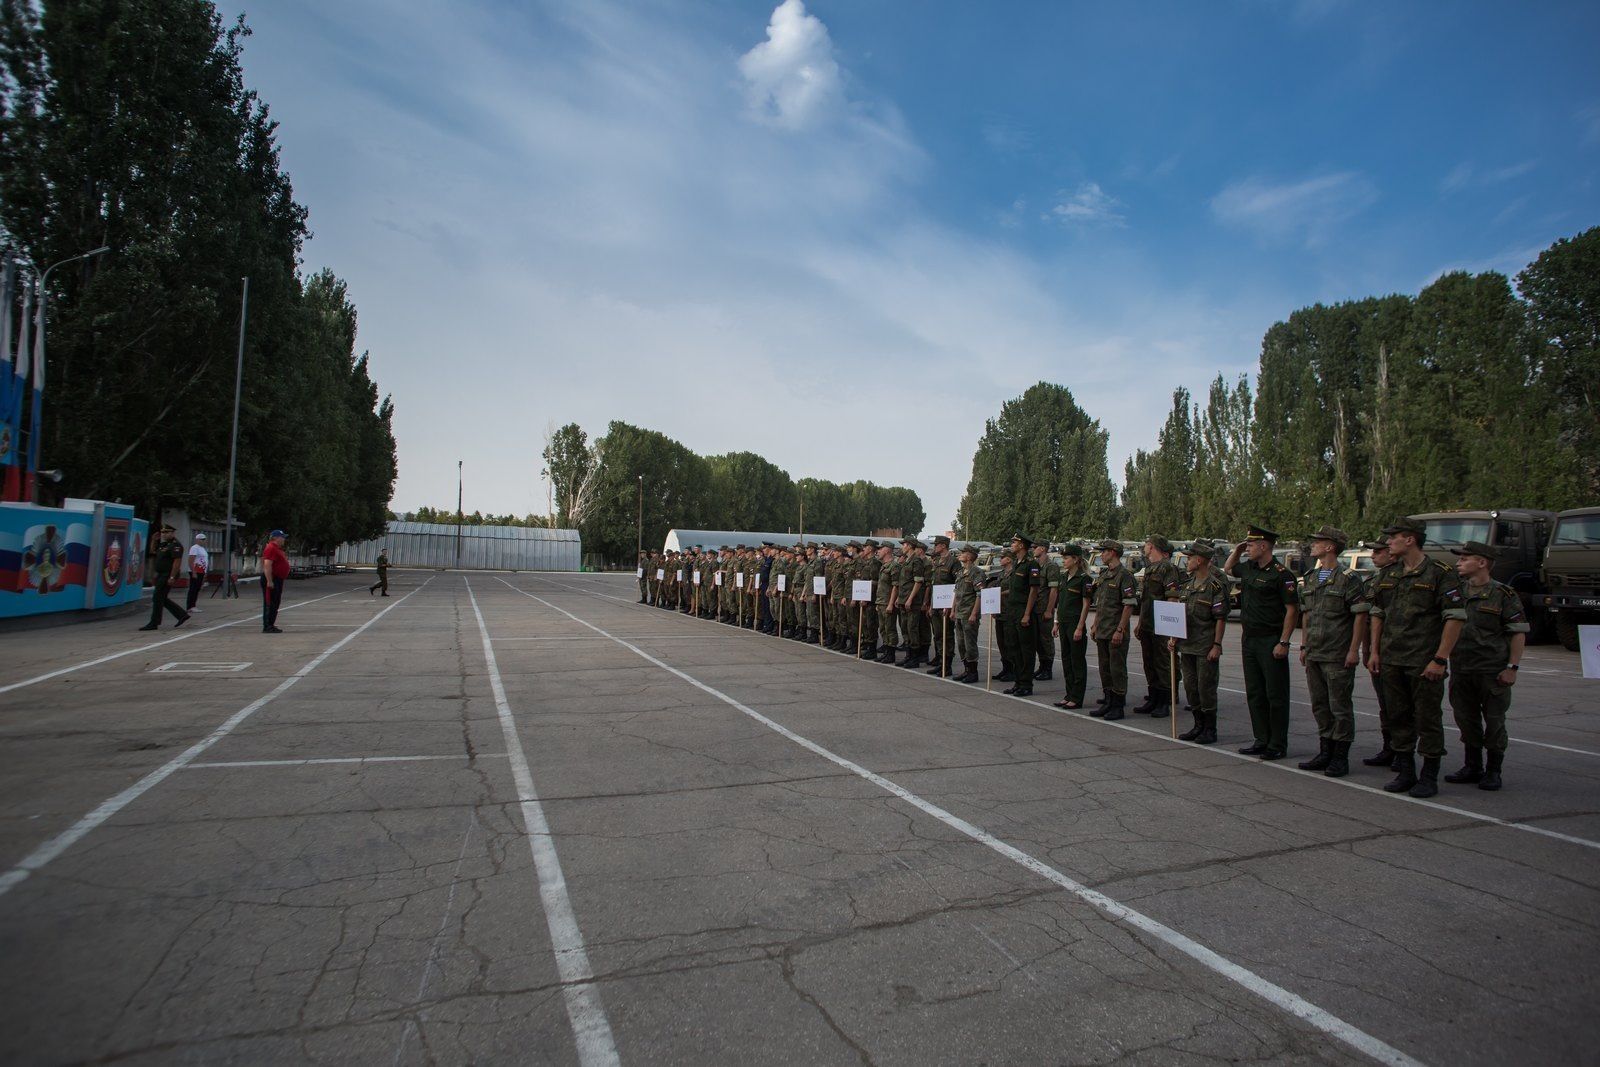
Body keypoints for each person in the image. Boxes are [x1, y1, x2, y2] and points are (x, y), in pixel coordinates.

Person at [1366, 518, 1466, 798]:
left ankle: (1429, 775)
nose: (1387, 542)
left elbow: (1454, 618)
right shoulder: (1389, 574)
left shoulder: (1439, 573)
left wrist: (1440, 658)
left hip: (1424, 660)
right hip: (1392, 659)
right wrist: (1375, 651)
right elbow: (1377, 614)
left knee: (1428, 718)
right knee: (1397, 716)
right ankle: (1406, 770)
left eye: (1392, 537)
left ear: (1410, 539)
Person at [1444, 542, 1528, 791]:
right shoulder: (1456, 592)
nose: (1459, 563)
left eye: (1464, 558)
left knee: (1494, 723)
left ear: (1482, 563)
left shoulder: (1503, 594)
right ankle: (1472, 765)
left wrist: (1512, 667)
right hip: (1462, 667)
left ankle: (1493, 770)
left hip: (1492, 670)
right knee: (1465, 720)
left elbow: (1517, 633)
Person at [1295, 526, 1368, 777]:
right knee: (1320, 705)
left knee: (1340, 707)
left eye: (1318, 542)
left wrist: (1353, 650)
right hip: (1315, 651)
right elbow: (1307, 614)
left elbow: (1359, 617)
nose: (1312, 545)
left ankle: (1340, 757)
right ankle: (1325, 751)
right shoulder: (1311, 578)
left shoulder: (1348, 579)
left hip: (1337, 653)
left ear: (1330, 546)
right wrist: (1304, 644)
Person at [1224, 526, 1298, 760]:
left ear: (1264, 546)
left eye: (1251, 545)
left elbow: (1292, 610)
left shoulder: (1281, 574)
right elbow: (1227, 568)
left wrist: (1284, 641)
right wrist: (1236, 550)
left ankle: (1277, 743)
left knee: (1275, 694)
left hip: (1270, 639)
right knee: (1255, 692)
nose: (1248, 549)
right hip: (1250, 639)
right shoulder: (1248, 568)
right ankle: (1261, 739)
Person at [1171, 539, 1228, 743]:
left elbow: (1220, 618)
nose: (1187, 562)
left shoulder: (1214, 586)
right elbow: (1179, 615)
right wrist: (1174, 637)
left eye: (1190, 558)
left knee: (1206, 688)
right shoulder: (1187, 586)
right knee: (1191, 687)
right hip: (1187, 645)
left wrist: (1217, 645)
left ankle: (1209, 728)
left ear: (1200, 560)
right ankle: (1198, 725)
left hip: (1205, 645)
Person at [1133, 536, 1183, 717]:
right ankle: (1153, 697)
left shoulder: (1167, 567)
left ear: (1152, 546)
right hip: (1148, 623)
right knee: (1149, 663)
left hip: (1161, 625)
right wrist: (1140, 623)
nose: (1144, 547)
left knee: (1162, 664)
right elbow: (1146, 600)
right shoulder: (1149, 568)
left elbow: (1172, 597)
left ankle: (1164, 701)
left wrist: (1171, 628)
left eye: (1146, 544)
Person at [1360, 540, 1400, 768]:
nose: (1373, 555)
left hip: (1401, 651)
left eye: (1378, 551)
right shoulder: (1373, 581)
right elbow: (1368, 618)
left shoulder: (1401, 579)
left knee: (1401, 706)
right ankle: (1389, 748)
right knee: (1385, 704)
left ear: (1392, 555)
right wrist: (1368, 649)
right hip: (1379, 650)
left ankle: (1402, 751)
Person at [1088, 539, 1137, 719]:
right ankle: (1108, 701)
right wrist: (1095, 624)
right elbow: (1101, 604)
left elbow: (1128, 605)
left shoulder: (1124, 576)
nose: (1101, 554)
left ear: (1113, 552)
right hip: (1103, 629)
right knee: (1105, 668)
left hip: (1115, 630)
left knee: (1117, 669)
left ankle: (1117, 705)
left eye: (1104, 551)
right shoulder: (1105, 575)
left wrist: (1120, 629)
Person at [997, 535, 1040, 696]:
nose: (1012, 544)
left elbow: (1033, 590)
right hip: (1011, 612)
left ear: (1022, 545)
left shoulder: (1031, 565)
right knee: (1013, 647)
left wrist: (1027, 614)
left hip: (1023, 612)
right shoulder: (1016, 564)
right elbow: (1014, 590)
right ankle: (1018, 681)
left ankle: (1026, 684)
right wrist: (998, 594)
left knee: (1026, 650)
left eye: (1014, 542)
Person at [1051, 544, 1092, 709]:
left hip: (1075, 623)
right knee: (1066, 661)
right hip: (1064, 622)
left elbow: (1086, 604)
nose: (1064, 561)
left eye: (1066, 558)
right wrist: (1056, 622)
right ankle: (1068, 694)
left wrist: (1080, 627)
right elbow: (1060, 602)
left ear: (1076, 559)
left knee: (1077, 661)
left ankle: (1077, 697)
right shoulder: (1063, 577)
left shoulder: (1084, 579)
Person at [140, 524, 190, 631]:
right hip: (161, 574)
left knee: (157, 597)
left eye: (166, 532)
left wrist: (172, 577)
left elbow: (177, 562)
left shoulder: (176, 545)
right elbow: (153, 552)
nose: (164, 534)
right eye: (163, 532)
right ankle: (181, 615)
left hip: (167, 574)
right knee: (160, 597)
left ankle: (154, 622)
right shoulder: (164, 545)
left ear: (172, 533)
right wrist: (154, 540)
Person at [926, 535, 962, 676]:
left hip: (946, 604)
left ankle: (947, 665)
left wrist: (951, 606)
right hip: (936, 603)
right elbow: (934, 585)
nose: (935, 547)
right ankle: (940, 661)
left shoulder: (953, 562)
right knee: (938, 634)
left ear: (943, 546)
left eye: (937, 545)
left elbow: (956, 585)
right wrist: (930, 605)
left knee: (947, 635)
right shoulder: (936, 562)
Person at [953, 543, 984, 683]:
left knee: (970, 643)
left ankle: (973, 672)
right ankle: (966, 669)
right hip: (959, 613)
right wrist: (953, 610)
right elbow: (956, 593)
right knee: (960, 643)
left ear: (970, 556)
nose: (960, 554)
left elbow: (980, 595)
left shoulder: (976, 572)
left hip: (969, 613)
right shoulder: (960, 572)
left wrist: (974, 613)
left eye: (963, 552)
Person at [1031, 541, 1060, 682]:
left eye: (1035, 548)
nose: (1033, 550)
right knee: (1037, 639)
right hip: (1035, 608)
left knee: (1046, 639)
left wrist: (1049, 610)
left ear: (1042, 549)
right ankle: (1042, 667)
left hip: (1044, 608)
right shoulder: (1036, 565)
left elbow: (1054, 590)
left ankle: (1047, 669)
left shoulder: (1051, 566)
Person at [261, 529, 290, 633]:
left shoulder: (277, 548)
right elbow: (267, 565)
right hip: (272, 578)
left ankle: (271, 624)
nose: (284, 539)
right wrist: (269, 581)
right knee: (270, 602)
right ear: (276, 538)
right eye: (282, 537)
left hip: (277, 579)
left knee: (275, 602)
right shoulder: (271, 548)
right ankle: (267, 626)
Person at [184, 532, 209, 612]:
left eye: (204, 539)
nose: (203, 541)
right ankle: (190, 606)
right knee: (193, 588)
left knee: (197, 588)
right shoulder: (194, 548)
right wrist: (193, 572)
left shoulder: (202, 549)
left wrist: (205, 573)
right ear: (197, 540)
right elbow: (191, 560)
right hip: (196, 571)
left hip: (201, 571)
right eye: (202, 539)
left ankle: (193, 605)